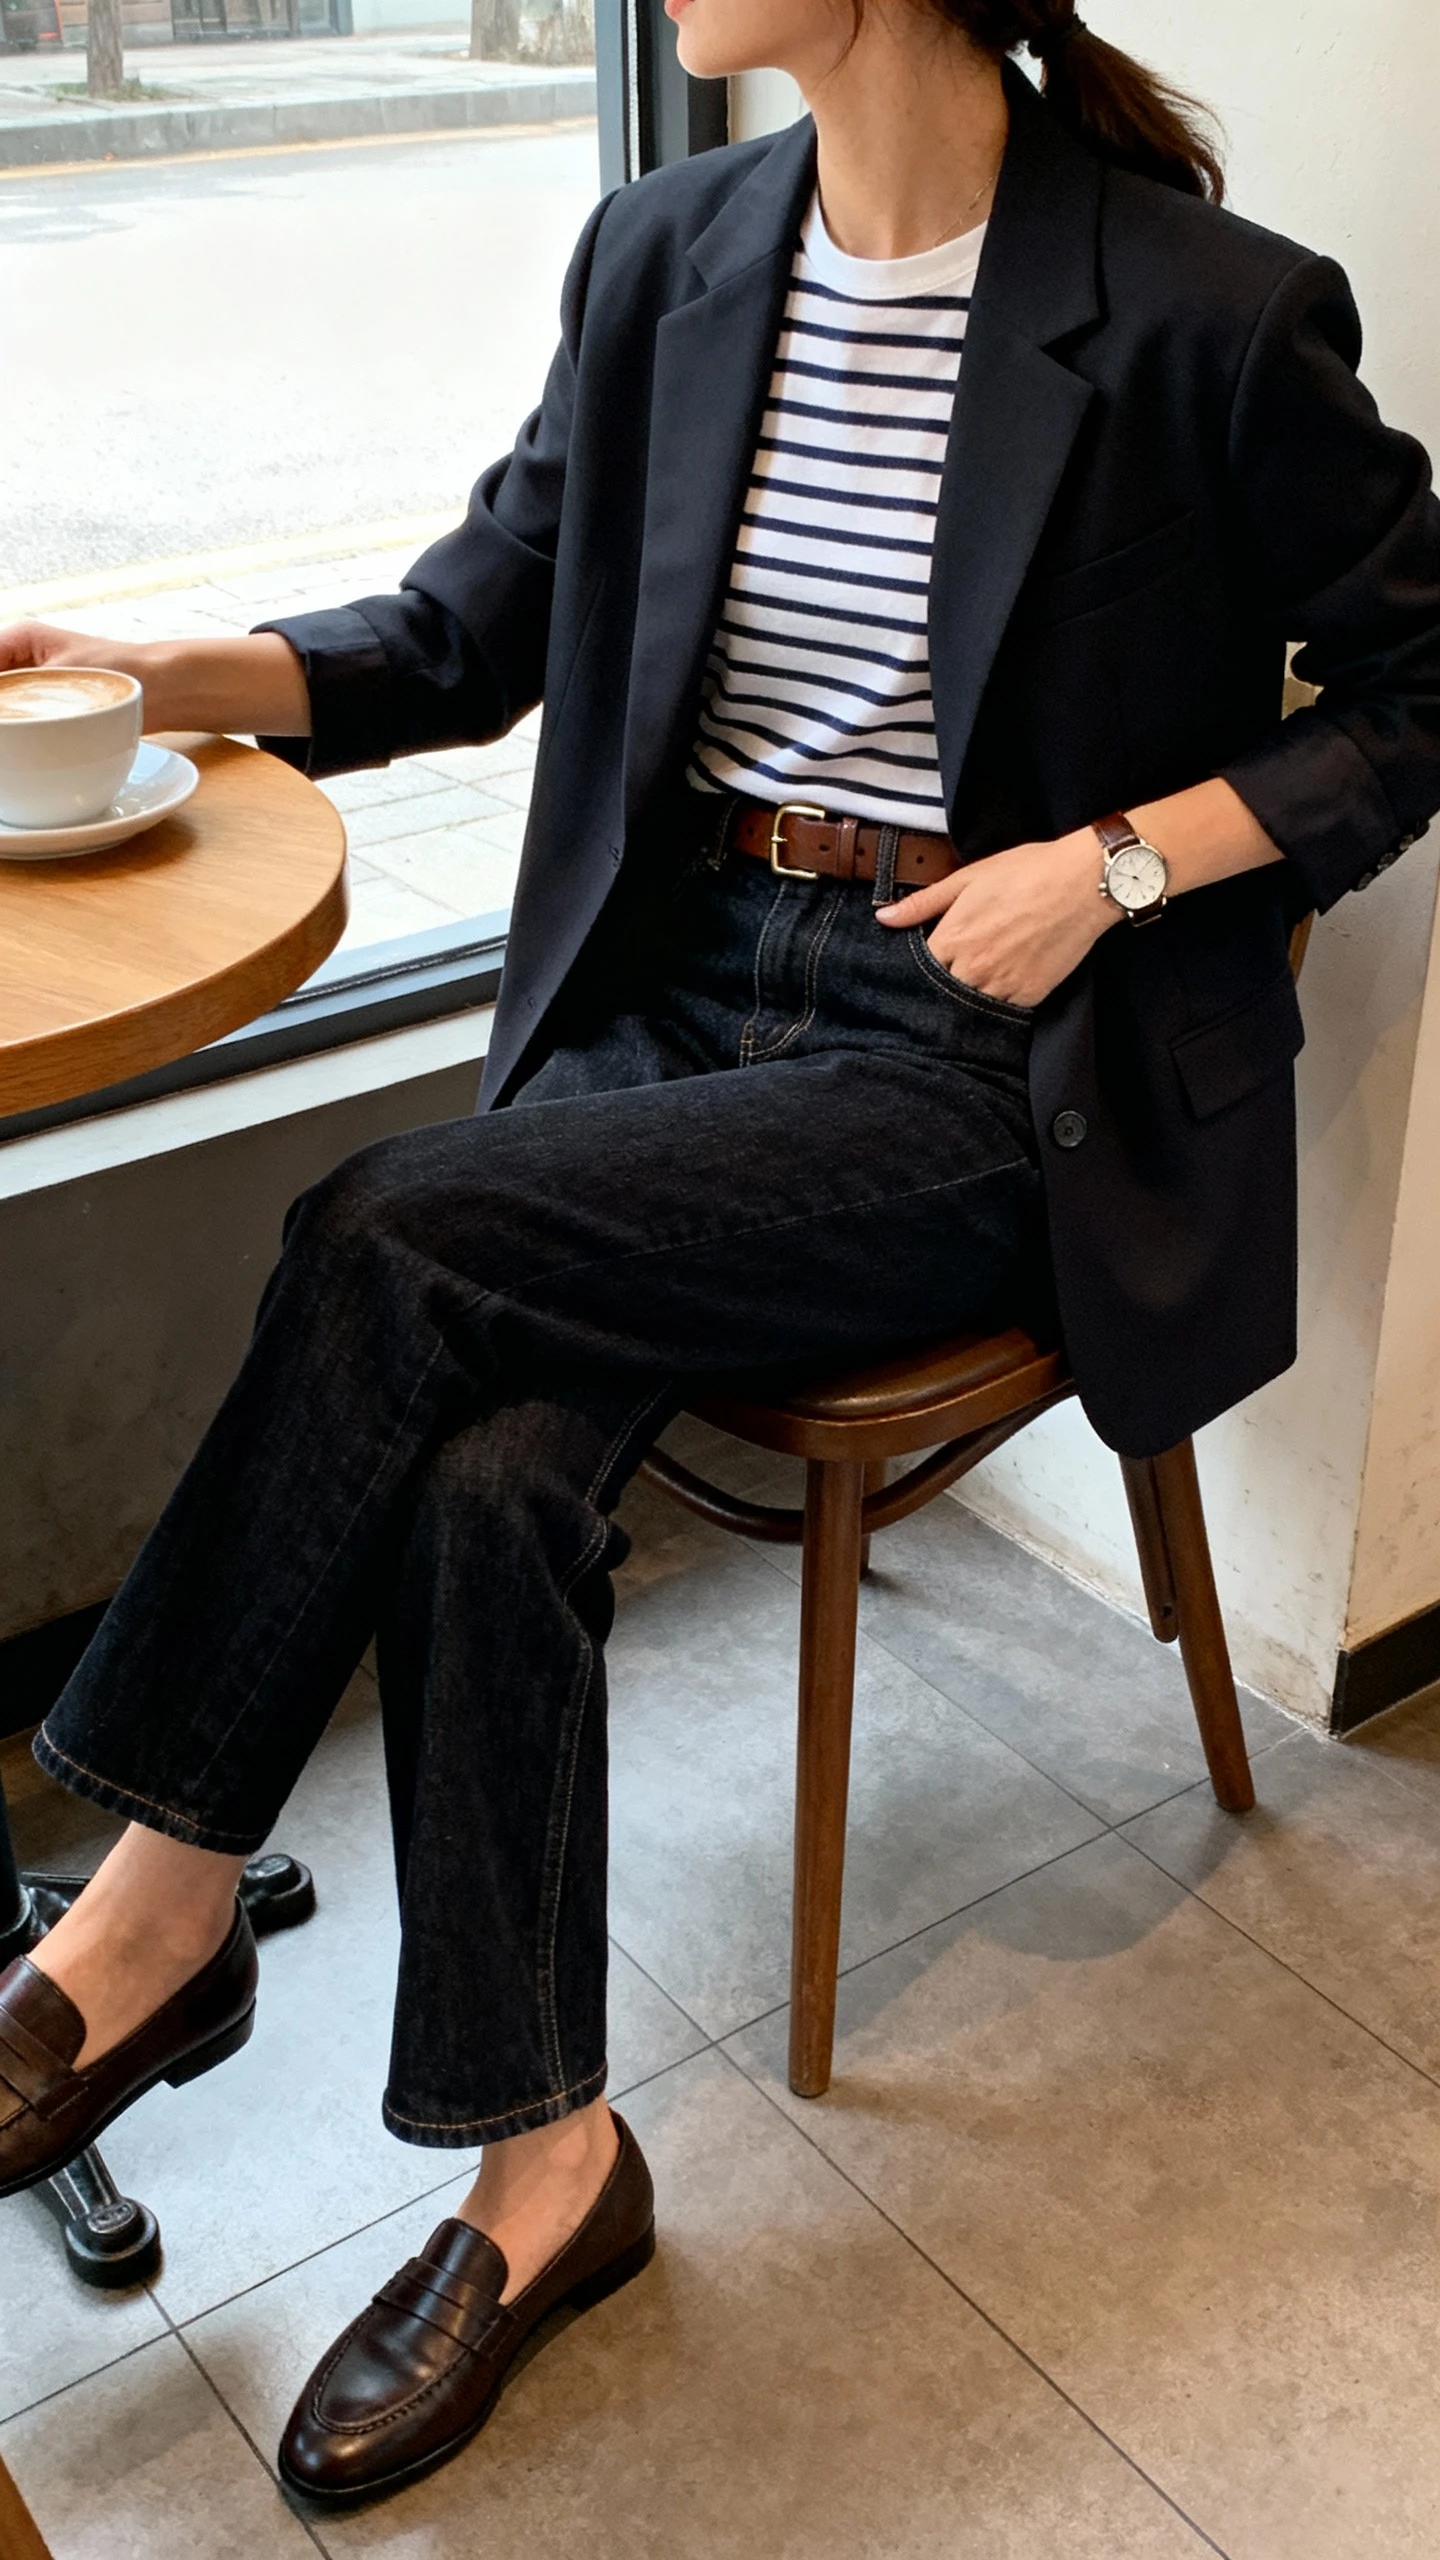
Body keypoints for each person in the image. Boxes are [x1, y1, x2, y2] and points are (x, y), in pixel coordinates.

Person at [3, 0, 1440, 2510]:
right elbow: (471, 623)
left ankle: (143, 1914)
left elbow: (1420, 688)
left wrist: (1114, 863)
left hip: (975, 1059)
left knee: (378, 1234)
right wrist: (148, 679)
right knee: (473, 1477)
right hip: (676, 995)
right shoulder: (663, 248)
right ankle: (551, 2170)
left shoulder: (1205, 305)